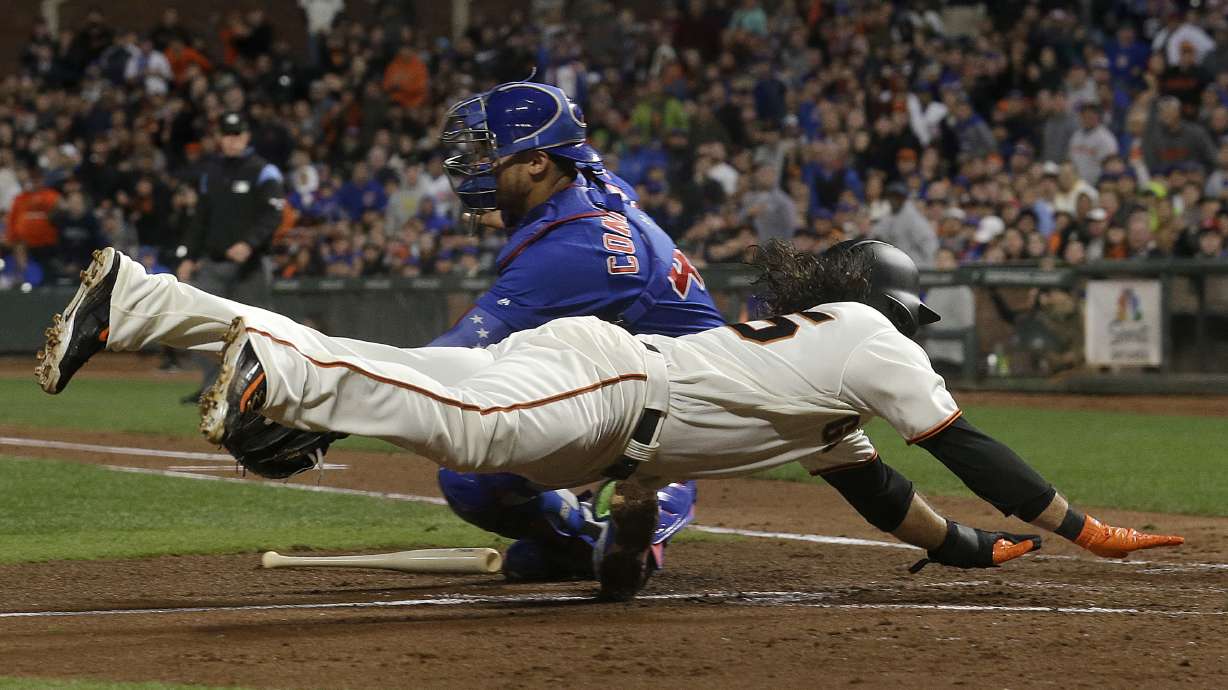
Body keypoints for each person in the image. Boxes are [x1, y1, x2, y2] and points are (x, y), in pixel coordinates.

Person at [37, 240, 1183, 602]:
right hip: (609, 388)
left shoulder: (827, 390)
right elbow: (962, 443)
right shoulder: (866, 339)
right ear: (876, 295)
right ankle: (277, 376)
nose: (912, 325)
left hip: (602, 409)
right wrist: (1077, 525)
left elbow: (883, 490)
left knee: (426, 393)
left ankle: (146, 301)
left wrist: (974, 548)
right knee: (470, 430)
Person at [430, 82, 728, 582]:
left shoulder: (573, 249)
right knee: (476, 476)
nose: (477, 166)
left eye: (491, 153)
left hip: (690, 409)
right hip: (632, 389)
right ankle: (584, 542)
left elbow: (455, 353)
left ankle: (636, 519)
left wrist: (335, 397)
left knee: (469, 466)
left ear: (538, 163)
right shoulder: (587, 185)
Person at [176, 111, 285, 402]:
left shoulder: (264, 171)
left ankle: (263, 390)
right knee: (207, 327)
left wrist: (250, 243)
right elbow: (199, 219)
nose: (232, 140)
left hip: (250, 266)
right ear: (220, 137)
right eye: (227, 134)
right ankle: (213, 389)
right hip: (213, 264)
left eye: (237, 134)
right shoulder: (210, 173)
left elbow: (273, 213)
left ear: (247, 136)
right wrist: (188, 256)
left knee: (259, 331)